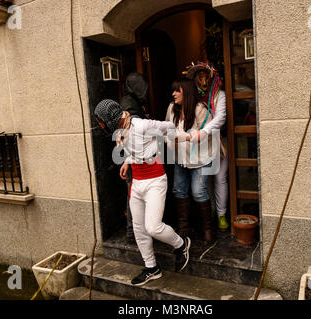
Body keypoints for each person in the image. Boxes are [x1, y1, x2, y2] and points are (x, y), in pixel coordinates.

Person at [94, 99, 191, 286]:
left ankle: (181, 244)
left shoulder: (143, 125)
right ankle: (152, 268)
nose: (101, 125)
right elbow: (137, 149)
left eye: (101, 121)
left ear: (111, 118)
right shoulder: (122, 129)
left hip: (155, 180)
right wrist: (127, 162)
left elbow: (169, 126)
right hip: (137, 182)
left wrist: (183, 136)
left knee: (153, 227)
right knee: (139, 229)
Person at [165, 79, 215, 245]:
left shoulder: (200, 109)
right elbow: (165, 129)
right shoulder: (172, 109)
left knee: (198, 191)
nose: (173, 94)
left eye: (177, 90)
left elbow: (208, 133)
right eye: (173, 91)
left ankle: (208, 230)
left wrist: (186, 137)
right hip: (181, 158)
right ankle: (184, 229)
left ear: (186, 91)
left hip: (201, 158)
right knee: (179, 190)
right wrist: (170, 141)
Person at [184, 61, 229, 233]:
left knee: (220, 178)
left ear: (212, 78)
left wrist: (203, 132)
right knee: (206, 180)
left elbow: (220, 118)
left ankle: (221, 214)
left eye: (205, 77)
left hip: (218, 143)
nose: (203, 82)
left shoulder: (220, 95)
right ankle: (210, 210)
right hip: (200, 146)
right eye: (199, 78)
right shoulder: (194, 98)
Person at [119, 72, 149, 242]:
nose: (144, 90)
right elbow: (130, 134)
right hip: (131, 157)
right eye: (141, 86)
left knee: (133, 193)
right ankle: (132, 232)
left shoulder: (132, 102)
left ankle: (133, 231)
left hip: (131, 156)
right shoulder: (129, 105)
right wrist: (128, 161)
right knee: (133, 193)